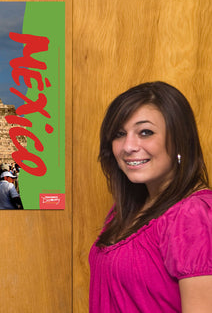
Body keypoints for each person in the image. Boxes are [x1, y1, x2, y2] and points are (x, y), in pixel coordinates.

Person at [89, 81, 212, 312]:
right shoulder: (125, 210)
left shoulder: (192, 215)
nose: (128, 146)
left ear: (179, 139)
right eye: (119, 134)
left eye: (145, 132)